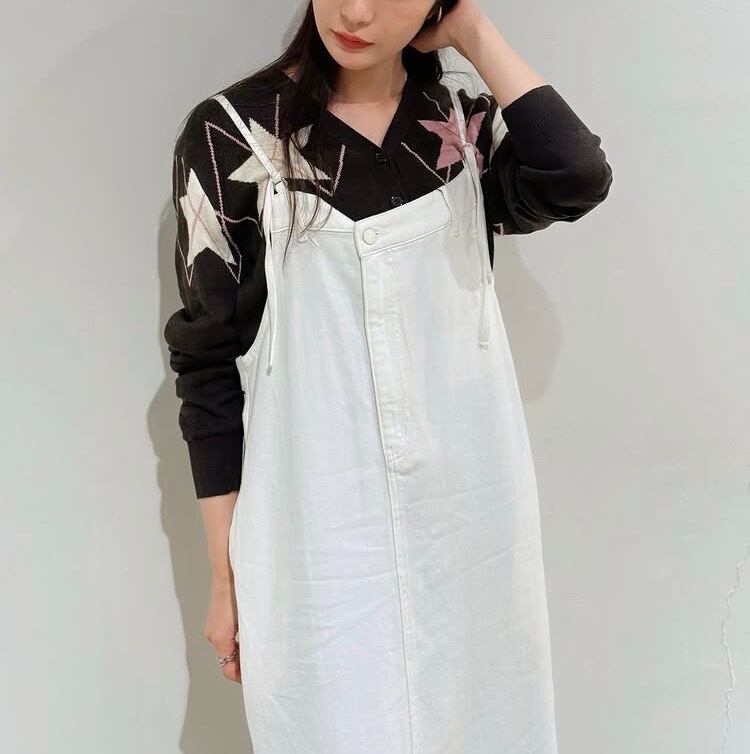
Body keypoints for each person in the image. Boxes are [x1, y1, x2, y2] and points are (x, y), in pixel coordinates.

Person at [164, 1, 613, 751]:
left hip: (468, 519)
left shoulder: (461, 125)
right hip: (315, 526)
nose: (356, 10)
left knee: (486, 722)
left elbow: (576, 174)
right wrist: (226, 576)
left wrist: (473, 32)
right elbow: (207, 367)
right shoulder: (233, 135)